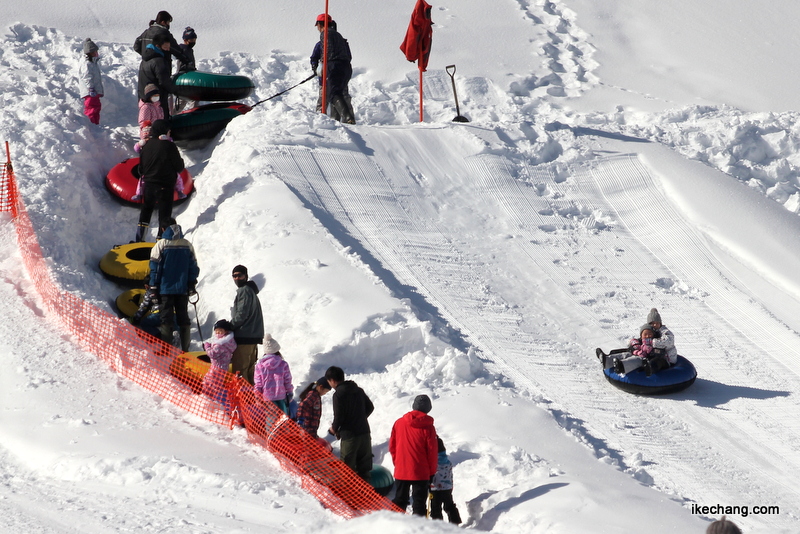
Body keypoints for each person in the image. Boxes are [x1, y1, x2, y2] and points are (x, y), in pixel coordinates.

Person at [148, 219, 199, 351]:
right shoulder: (187, 244)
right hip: (182, 289)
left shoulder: (161, 245)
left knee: (166, 318)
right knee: (183, 317)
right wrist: (191, 283)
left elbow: (155, 268)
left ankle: (166, 349)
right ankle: (186, 348)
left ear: (164, 229)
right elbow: (193, 266)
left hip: (165, 288)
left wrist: (154, 286)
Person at [134, 119, 186, 242]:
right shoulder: (169, 146)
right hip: (165, 185)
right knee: (164, 215)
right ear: (164, 131)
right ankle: (161, 242)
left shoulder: (146, 146)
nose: (169, 133)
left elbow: (140, 168)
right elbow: (179, 167)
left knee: (146, 210)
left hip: (148, 184)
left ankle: (139, 239)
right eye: (168, 131)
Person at [389, 394, 438, 516]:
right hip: (421, 472)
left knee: (399, 501)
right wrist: (431, 472)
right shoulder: (428, 427)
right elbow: (432, 451)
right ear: (428, 409)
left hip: (402, 469)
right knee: (419, 504)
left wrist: (398, 463)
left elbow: (392, 446)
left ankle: (394, 527)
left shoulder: (398, 423)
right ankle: (417, 529)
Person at [326, 365, 374, 481]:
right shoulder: (358, 390)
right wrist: (360, 418)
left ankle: (349, 498)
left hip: (350, 436)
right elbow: (370, 407)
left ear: (332, 380)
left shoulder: (338, 395)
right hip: (364, 433)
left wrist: (333, 429)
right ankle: (366, 497)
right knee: (364, 469)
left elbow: (339, 417)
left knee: (347, 470)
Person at [312, 14, 355, 124]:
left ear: (320, 25)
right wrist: (315, 67)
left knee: (334, 94)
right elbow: (348, 56)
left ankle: (347, 118)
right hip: (345, 68)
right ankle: (338, 121)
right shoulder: (341, 39)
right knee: (337, 94)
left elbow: (327, 52)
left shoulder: (325, 35)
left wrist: (323, 65)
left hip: (333, 67)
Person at [229, 265, 265, 384]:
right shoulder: (251, 291)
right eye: (234, 276)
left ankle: (242, 399)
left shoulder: (244, 290)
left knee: (240, 372)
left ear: (246, 276)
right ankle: (251, 399)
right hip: (252, 336)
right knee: (250, 371)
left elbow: (241, 314)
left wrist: (229, 326)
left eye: (240, 275)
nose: (237, 278)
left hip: (245, 336)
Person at [137, 31, 181, 119]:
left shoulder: (145, 59)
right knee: (160, 123)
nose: (168, 50)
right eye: (166, 47)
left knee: (147, 122)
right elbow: (164, 81)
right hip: (157, 98)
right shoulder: (159, 61)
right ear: (158, 46)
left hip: (144, 96)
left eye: (169, 47)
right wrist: (176, 90)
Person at [253, 334, 294, 415]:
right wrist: (289, 392)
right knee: (282, 419)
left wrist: (257, 397)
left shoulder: (260, 366)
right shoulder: (283, 364)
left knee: (271, 420)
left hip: (267, 398)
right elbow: (287, 380)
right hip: (281, 396)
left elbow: (258, 384)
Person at [202, 319, 236, 401]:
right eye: (216, 331)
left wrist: (207, 347)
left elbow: (212, 354)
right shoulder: (229, 341)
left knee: (210, 382)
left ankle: (210, 399)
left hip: (217, 368)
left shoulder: (221, 344)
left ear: (226, 331)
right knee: (215, 383)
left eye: (220, 331)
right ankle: (210, 398)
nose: (218, 333)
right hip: (223, 367)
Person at [430, 436, 462, 524]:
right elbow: (450, 475)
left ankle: (438, 525)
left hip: (435, 489)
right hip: (447, 488)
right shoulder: (447, 463)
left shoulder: (433, 464)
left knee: (436, 507)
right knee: (449, 505)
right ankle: (455, 522)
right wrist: (451, 486)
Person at [77, 38, 104, 125]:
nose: (97, 54)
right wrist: (90, 88)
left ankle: (96, 125)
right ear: (90, 53)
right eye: (95, 52)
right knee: (91, 108)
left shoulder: (93, 63)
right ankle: (91, 125)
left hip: (94, 91)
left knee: (96, 107)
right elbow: (87, 76)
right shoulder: (87, 63)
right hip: (90, 92)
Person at [173, 26, 198, 113]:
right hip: (185, 79)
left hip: (189, 79)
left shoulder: (189, 50)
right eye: (191, 40)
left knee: (187, 100)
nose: (193, 42)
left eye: (194, 39)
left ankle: (173, 117)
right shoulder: (182, 49)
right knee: (190, 99)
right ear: (186, 40)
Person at [137, 84, 164, 148]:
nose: (157, 97)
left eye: (158, 95)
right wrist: (147, 134)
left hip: (159, 135)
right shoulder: (146, 107)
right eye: (154, 95)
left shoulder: (158, 106)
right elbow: (143, 122)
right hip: (149, 136)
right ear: (149, 96)